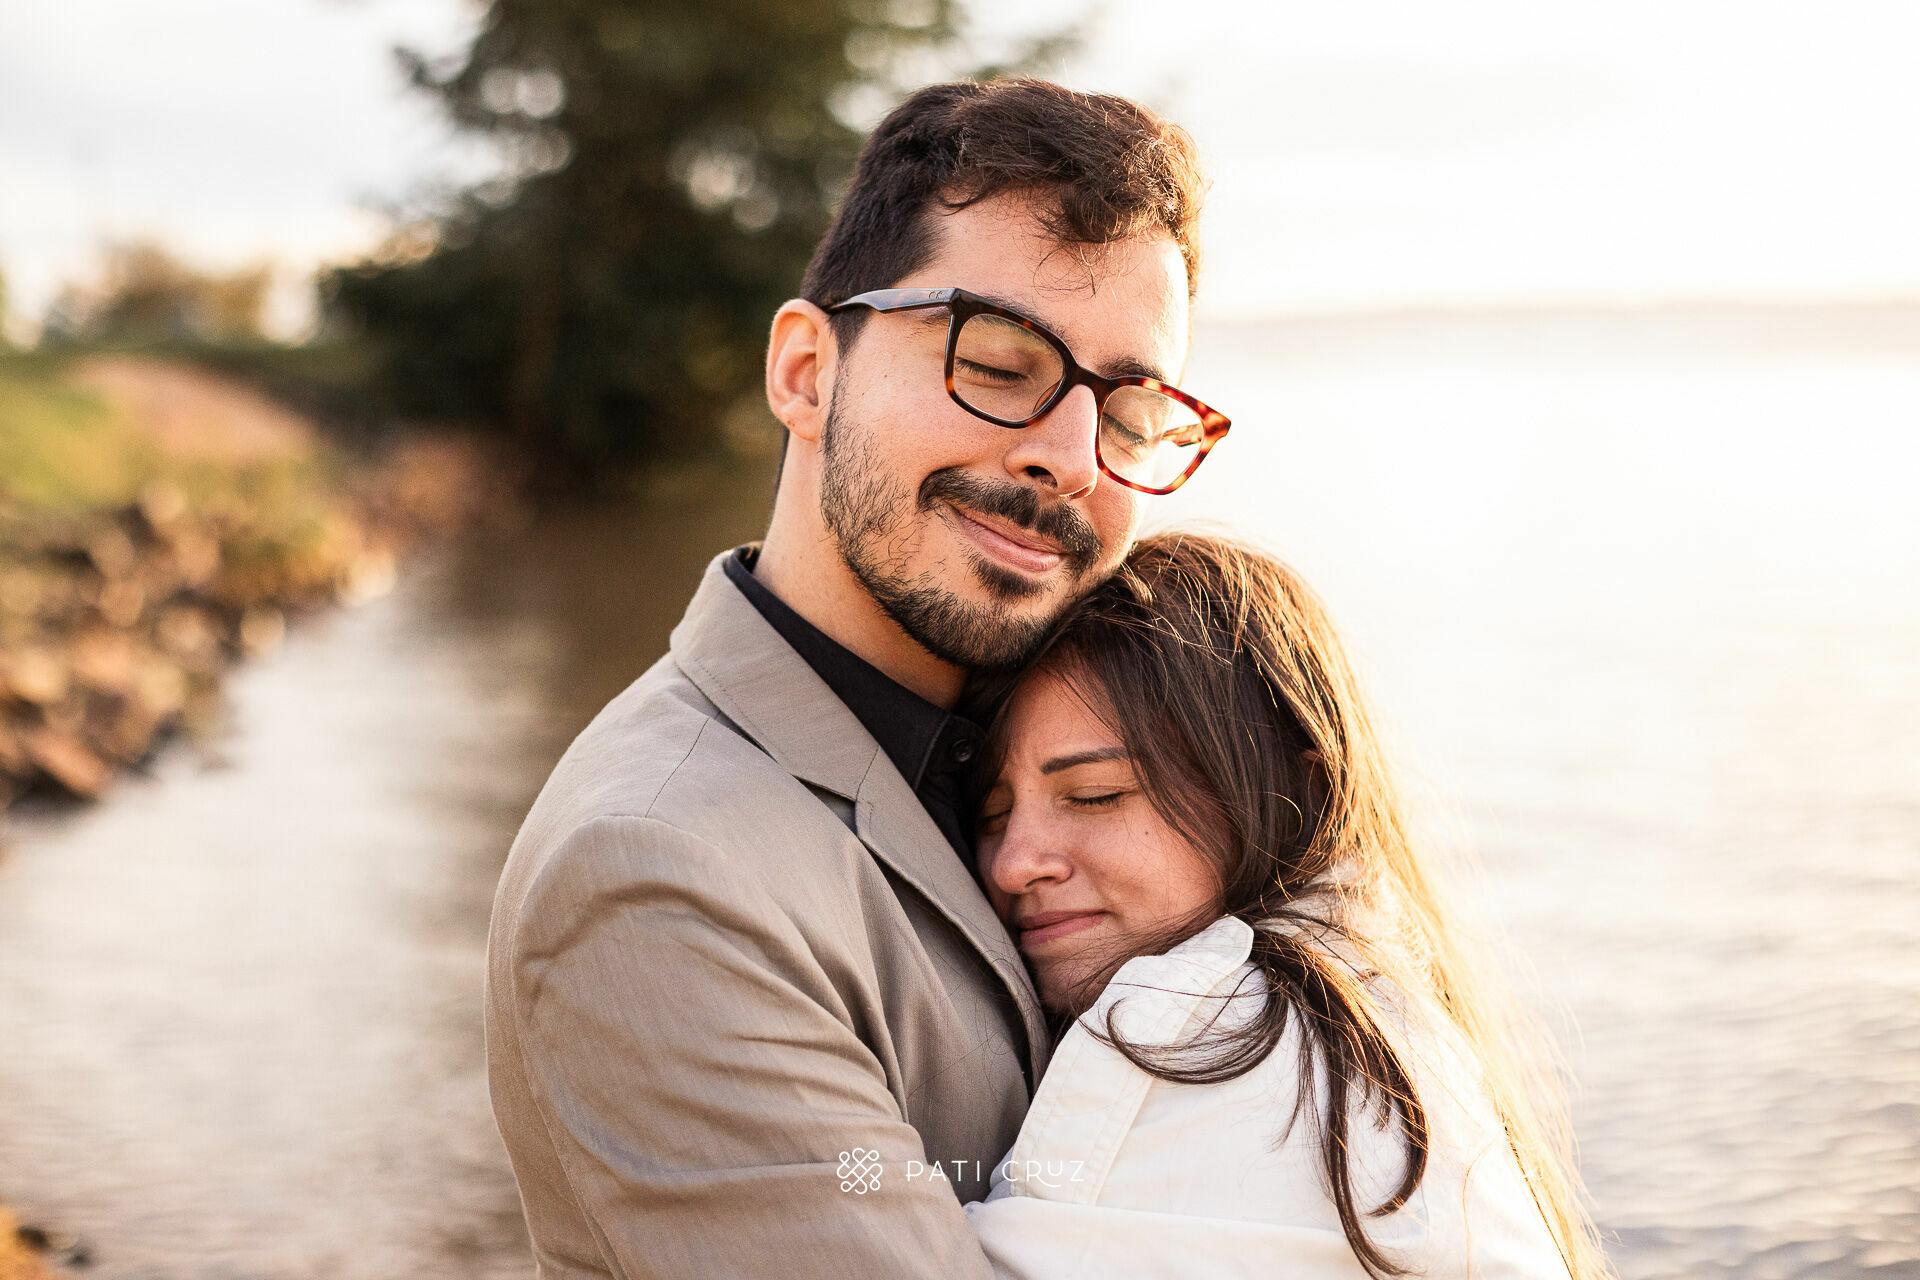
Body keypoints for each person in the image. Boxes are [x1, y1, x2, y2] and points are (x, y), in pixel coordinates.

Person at [483, 79, 1227, 1278]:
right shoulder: (653, 872)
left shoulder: (1100, 748)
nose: (1074, 459)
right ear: (806, 373)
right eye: (999, 361)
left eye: (1132, 413)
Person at [960, 531, 1614, 1279]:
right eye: (991, 815)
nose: (1013, 864)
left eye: (1095, 795)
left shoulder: (1216, 1034)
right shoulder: (1373, 1008)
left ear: (1295, 790)